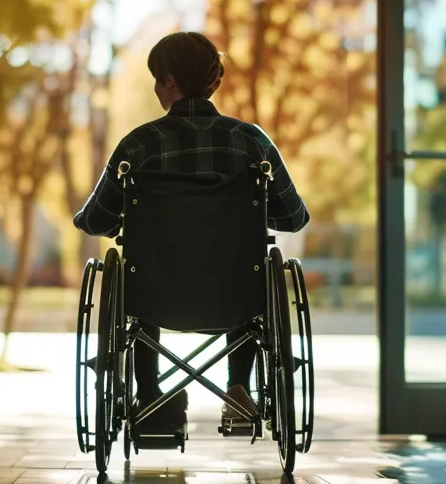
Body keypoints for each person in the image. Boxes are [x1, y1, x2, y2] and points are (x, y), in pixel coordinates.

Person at [73, 31, 311, 435]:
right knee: (248, 258)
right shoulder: (252, 143)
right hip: (234, 294)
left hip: (155, 294)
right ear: (212, 81)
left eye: (156, 79)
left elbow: (95, 221)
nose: (153, 87)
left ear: (169, 81)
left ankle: (148, 395)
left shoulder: (139, 145)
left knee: (137, 264)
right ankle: (238, 391)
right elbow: (293, 218)